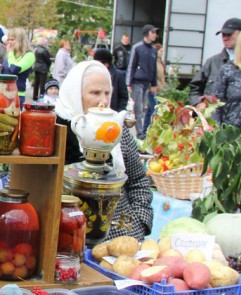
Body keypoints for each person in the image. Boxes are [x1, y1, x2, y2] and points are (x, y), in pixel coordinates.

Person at [56, 61, 153, 241]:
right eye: (95, 93)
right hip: (66, 239)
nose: (103, 100)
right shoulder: (55, 130)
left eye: (107, 93)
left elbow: (139, 182)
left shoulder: (115, 131)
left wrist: (140, 223)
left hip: (122, 237)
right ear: (75, 94)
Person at [189, 17, 241, 108]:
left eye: (229, 34)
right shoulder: (212, 62)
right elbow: (195, 88)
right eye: (223, 35)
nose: (225, 38)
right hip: (213, 118)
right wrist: (198, 103)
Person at [126, 24, 158, 139]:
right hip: (136, 81)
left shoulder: (154, 50)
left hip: (147, 82)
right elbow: (132, 65)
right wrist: (128, 82)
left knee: (144, 107)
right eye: (153, 32)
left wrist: (154, 84)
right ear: (147, 33)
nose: (155, 35)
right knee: (138, 108)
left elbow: (154, 68)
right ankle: (140, 133)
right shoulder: (137, 47)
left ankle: (143, 131)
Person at [3, 27, 35, 106]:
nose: (9, 42)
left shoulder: (29, 55)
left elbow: (15, 69)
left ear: (20, 41)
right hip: (3, 93)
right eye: (8, 39)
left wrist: (10, 54)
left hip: (17, 95)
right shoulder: (11, 54)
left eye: (12, 40)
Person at [32, 37, 52, 102]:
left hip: (36, 67)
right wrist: (48, 65)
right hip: (43, 68)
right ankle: (41, 96)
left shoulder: (36, 49)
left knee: (36, 82)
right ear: (44, 43)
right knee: (42, 83)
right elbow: (48, 60)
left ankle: (34, 96)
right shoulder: (44, 50)